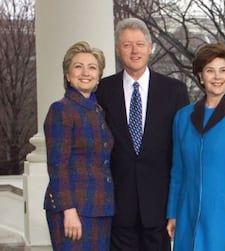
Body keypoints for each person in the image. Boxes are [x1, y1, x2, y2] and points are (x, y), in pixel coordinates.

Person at [96, 18, 189, 251]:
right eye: (127, 45)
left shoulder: (174, 90)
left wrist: (177, 206)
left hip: (159, 206)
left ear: (150, 47)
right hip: (117, 203)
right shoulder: (102, 91)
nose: (134, 50)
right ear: (118, 50)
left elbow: (182, 150)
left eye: (140, 44)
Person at [166, 43, 225, 251]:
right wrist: (173, 212)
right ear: (200, 76)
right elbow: (178, 171)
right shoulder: (182, 117)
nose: (217, 77)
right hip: (188, 213)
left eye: (223, 70)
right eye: (210, 71)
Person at [44, 41, 114, 250]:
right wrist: (68, 210)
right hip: (74, 210)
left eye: (92, 67)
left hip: (101, 208)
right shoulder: (61, 110)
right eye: (78, 66)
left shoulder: (98, 111)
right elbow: (57, 165)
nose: (85, 72)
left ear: (99, 76)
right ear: (67, 74)